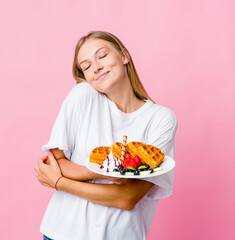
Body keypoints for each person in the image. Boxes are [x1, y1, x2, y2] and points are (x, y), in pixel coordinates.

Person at [34, 31, 178, 240]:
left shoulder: (160, 119)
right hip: (61, 233)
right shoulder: (83, 96)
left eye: (102, 56)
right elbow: (56, 164)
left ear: (124, 56)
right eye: (86, 66)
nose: (96, 67)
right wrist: (103, 173)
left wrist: (60, 183)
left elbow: (128, 198)